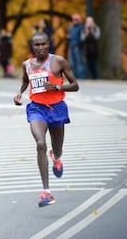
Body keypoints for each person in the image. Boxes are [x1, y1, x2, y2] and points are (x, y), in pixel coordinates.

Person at [13, 32, 79, 207]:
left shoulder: (59, 62)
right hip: (37, 109)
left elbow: (75, 85)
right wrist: (20, 93)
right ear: (32, 47)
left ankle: (56, 157)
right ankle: (46, 192)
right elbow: (25, 82)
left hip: (57, 108)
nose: (40, 47)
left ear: (49, 44)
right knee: (40, 143)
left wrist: (57, 87)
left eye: (43, 44)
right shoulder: (27, 64)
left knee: (57, 148)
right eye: (37, 45)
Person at [67, 14, 85, 79]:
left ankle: (81, 77)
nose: (74, 21)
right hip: (71, 47)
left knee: (79, 63)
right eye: (73, 19)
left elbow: (82, 38)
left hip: (78, 48)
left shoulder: (81, 28)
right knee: (73, 63)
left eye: (76, 19)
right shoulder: (71, 28)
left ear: (79, 20)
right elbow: (69, 37)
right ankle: (76, 77)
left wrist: (79, 46)